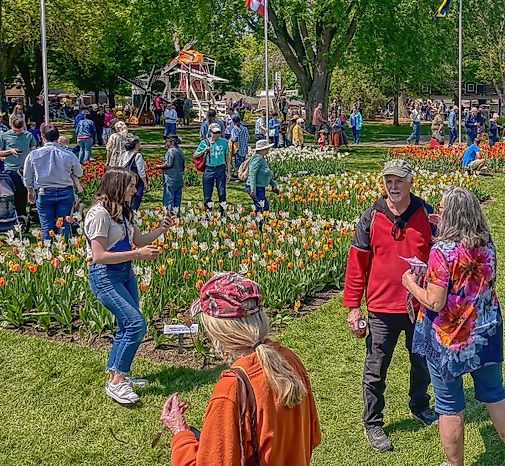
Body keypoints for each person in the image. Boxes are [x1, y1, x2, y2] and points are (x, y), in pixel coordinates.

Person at [403, 187, 505, 466]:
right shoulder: (486, 243)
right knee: (495, 394)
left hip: (448, 338)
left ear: (449, 215)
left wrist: (411, 284)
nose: (437, 213)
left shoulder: (441, 252)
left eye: (441, 210)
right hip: (485, 331)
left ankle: (455, 464)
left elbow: (435, 301)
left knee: (449, 406)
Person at [161, 272, 321, 465]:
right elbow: (312, 437)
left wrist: (181, 435)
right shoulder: (289, 360)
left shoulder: (232, 388)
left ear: (217, 331)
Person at [343, 159, 437, 452]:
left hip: (419, 306)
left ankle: (420, 405)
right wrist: (353, 306)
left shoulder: (426, 213)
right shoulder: (371, 216)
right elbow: (357, 263)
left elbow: (442, 257)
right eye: (388, 181)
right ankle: (373, 422)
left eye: (399, 181)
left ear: (411, 181)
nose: (393, 187)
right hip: (382, 307)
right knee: (376, 368)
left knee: (421, 362)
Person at [85, 168, 173, 404]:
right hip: (105, 275)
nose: (135, 190)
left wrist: (161, 229)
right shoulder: (99, 215)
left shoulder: (123, 212)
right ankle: (117, 383)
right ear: (117, 186)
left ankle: (117, 374)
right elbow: (99, 256)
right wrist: (137, 254)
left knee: (126, 326)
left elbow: (139, 241)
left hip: (124, 273)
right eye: (131, 185)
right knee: (135, 324)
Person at [23, 123, 83, 242]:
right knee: (64, 225)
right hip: (65, 191)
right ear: (58, 137)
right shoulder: (68, 155)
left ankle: (48, 253)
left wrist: (30, 190)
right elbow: (79, 173)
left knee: (46, 227)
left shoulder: (34, 154)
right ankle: (64, 251)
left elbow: (27, 176)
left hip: (44, 191)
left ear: (42, 137)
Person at [195, 124, 230, 211]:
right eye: (215, 132)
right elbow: (195, 155)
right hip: (209, 169)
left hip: (220, 168)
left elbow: (227, 157)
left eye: (219, 132)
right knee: (207, 192)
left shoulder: (224, 142)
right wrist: (204, 150)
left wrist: (228, 171)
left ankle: (222, 211)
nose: (217, 134)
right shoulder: (204, 142)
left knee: (221, 192)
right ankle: (208, 212)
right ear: (210, 132)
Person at [246, 139, 280, 214]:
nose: (269, 149)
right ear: (263, 149)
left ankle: (259, 223)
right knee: (263, 207)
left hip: (260, 187)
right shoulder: (258, 159)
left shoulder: (262, 158)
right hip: (255, 187)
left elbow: (265, 174)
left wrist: (273, 184)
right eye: (267, 148)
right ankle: (258, 224)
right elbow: (252, 173)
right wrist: (253, 188)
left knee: (263, 207)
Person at [120, 136, 148, 211]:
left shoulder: (124, 154)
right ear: (136, 145)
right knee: (136, 197)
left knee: (126, 196)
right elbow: (141, 171)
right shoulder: (138, 155)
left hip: (126, 177)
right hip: (136, 179)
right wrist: (145, 182)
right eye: (139, 143)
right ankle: (133, 212)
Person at [161, 135, 185, 214]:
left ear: (171, 142)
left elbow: (168, 164)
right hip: (179, 179)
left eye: (167, 141)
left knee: (169, 199)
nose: (165, 143)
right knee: (177, 200)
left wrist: (159, 166)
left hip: (170, 179)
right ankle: (176, 218)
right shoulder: (180, 151)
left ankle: (169, 217)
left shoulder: (170, 151)